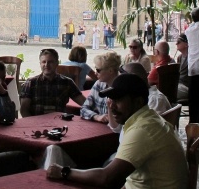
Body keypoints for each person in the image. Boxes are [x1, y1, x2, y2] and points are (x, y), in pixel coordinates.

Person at [46, 74, 188, 189]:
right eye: (111, 100)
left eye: (118, 100)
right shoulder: (148, 119)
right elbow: (131, 180)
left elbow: (107, 178)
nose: (112, 107)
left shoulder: (143, 130)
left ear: (138, 102)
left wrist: (64, 172)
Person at [20, 48, 85, 117]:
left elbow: (85, 103)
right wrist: (32, 123)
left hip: (59, 122)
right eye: (44, 62)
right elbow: (24, 110)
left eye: (50, 62)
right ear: (40, 64)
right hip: (35, 122)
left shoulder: (67, 83)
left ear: (57, 63)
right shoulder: (31, 83)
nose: (46, 65)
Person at [80, 51, 121, 122]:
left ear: (110, 71)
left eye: (98, 70)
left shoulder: (123, 87)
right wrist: (96, 117)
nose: (95, 73)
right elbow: (83, 109)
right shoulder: (98, 84)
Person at [175, 34, 189, 100]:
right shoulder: (179, 57)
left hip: (186, 87)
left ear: (186, 44)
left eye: (178, 42)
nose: (176, 44)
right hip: (179, 85)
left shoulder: (191, 58)